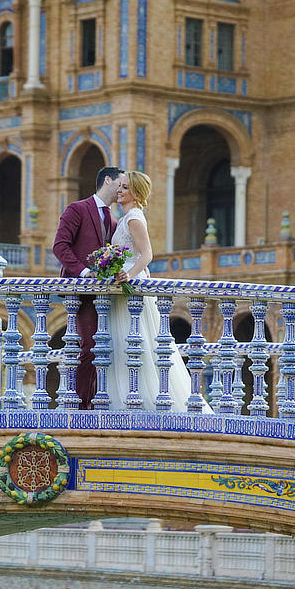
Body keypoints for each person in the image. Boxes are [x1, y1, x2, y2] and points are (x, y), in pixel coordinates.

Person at [109, 170, 212, 413]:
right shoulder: (127, 217)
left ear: (135, 193)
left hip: (131, 287)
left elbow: (147, 254)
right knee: (127, 341)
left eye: (124, 187)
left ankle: (140, 400)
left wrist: (129, 275)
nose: (119, 191)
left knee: (138, 340)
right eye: (120, 186)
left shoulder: (134, 217)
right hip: (123, 285)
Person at [52, 166, 123, 409]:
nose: (122, 190)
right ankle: (80, 405)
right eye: (120, 184)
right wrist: (84, 272)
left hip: (105, 295)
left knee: (105, 347)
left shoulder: (113, 220)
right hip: (81, 292)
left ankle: (96, 401)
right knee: (89, 347)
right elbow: (60, 246)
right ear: (107, 180)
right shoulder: (78, 208)